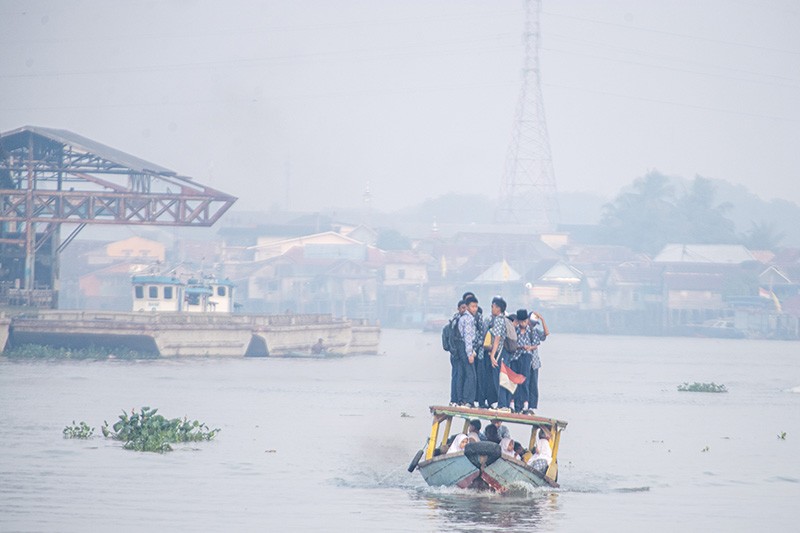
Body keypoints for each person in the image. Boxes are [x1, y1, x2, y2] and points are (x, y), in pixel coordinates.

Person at [463, 292, 492, 409]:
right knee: (468, 377)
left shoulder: (478, 316)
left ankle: (480, 401)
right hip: (468, 352)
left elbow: (482, 333)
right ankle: (468, 400)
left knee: (479, 378)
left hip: (478, 353)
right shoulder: (463, 317)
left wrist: (477, 347)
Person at [487, 296, 512, 411]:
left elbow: (497, 339)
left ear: (498, 308)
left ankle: (501, 404)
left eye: (493, 307)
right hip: (507, 353)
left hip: (500, 352)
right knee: (505, 378)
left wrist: (492, 355)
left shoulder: (498, 320)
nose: (492, 309)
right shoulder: (506, 319)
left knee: (499, 377)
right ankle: (505, 404)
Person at [456, 296, 479, 406]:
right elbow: (468, 337)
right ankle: (468, 401)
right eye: (472, 306)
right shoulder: (469, 319)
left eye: (476, 307)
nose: (475, 309)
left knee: (463, 374)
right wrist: (470, 353)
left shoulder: (462, 318)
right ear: (468, 307)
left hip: (460, 348)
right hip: (466, 348)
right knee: (471, 376)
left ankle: (461, 399)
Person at [526, 310, 550, 415]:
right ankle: (524, 404)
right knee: (525, 383)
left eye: (534, 323)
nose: (532, 325)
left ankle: (532, 406)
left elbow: (546, 333)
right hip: (525, 360)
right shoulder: (523, 330)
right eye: (531, 322)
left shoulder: (536, 331)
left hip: (534, 361)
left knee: (533, 384)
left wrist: (542, 319)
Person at [512, 309, 534, 414]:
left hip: (526, 356)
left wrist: (529, 347)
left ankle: (525, 405)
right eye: (521, 322)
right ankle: (514, 404)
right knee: (515, 381)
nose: (522, 324)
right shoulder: (515, 330)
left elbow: (535, 344)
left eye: (524, 321)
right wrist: (520, 347)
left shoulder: (531, 330)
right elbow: (512, 344)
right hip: (516, 357)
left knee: (525, 380)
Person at [447, 300, 467, 406]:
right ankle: (456, 399)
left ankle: (456, 399)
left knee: (458, 376)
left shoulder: (458, 319)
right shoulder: (457, 320)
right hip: (456, 353)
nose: (464, 310)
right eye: (462, 308)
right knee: (457, 376)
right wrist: (454, 350)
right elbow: (452, 338)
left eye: (465, 308)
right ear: (458, 308)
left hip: (457, 352)